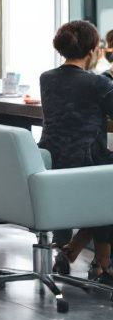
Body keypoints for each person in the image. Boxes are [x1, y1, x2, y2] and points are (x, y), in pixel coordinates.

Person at [42, 21, 113, 283]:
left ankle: (74, 249)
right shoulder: (96, 83)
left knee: (105, 183)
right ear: (94, 50)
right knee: (107, 183)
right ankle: (102, 263)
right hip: (86, 163)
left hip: (52, 162)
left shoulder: (46, 78)